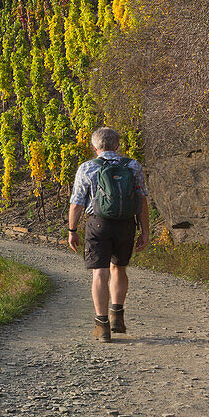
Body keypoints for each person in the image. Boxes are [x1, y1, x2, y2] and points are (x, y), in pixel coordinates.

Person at [67, 127, 150, 341]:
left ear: (95, 147)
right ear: (118, 146)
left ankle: (102, 326)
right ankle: (117, 317)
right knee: (119, 268)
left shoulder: (87, 168)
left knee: (100, 273)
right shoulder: (132, 165)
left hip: (98, 224)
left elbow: (76, 203)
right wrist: (145, 231)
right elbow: (142, 201)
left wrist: (72, 230)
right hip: (125, 224)